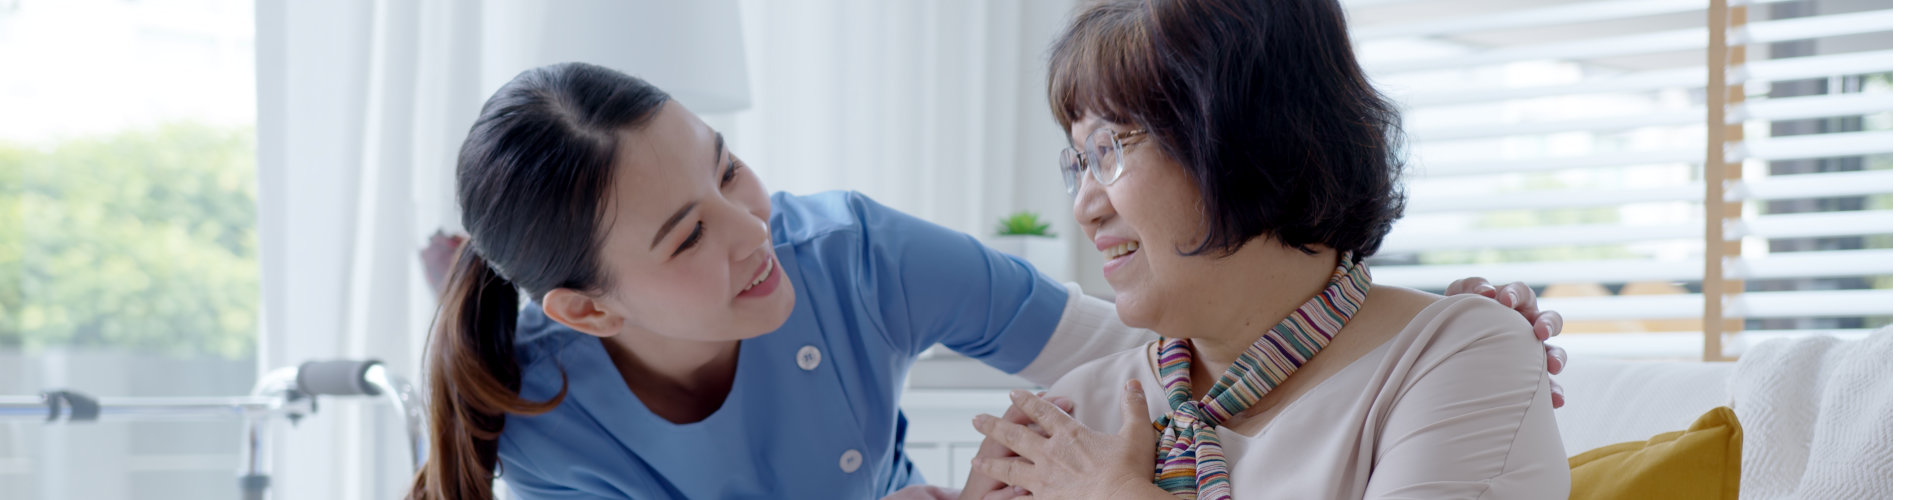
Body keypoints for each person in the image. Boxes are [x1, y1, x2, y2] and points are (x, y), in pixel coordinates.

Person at [405, 62, 1567, 500]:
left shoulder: (849, 252)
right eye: (683, 238)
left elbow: (1133, 337)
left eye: (729, 171)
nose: (751, 228)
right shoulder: (552, 430)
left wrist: (1391, 320)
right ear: (588, 309)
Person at [961, 1, 1571, 498]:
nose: (1085, 206)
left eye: (1112, 147)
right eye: (1079, 161)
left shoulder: (1455, 356)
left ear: (1250, 138)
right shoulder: (1074, 410)